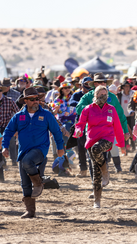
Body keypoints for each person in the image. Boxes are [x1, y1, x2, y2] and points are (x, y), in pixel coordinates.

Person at [2, 87, 64, 218]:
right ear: (25, 101)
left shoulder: (46, 115)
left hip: (40, 150)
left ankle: (37, 182)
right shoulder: (19, 116)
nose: (36, 101)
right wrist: (5, 146)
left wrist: (60, 147)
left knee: (27, 161)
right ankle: (30, 211)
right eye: (32, 99)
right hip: (23, 151)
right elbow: (8, 132)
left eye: (37, 98)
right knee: (24, 183)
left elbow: (57, 131)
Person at [74, 85, 125, 208]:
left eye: (105, 95)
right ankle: (97, 200)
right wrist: (78, 131)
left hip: (107, 140)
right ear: (95, 96)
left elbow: (117, 127)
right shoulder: (88, 109)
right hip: (91, 140)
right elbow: (80, 124)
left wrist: (121, 145)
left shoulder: (111, 109)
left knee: (96, 149)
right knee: (96, 172)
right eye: (100, 95)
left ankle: (105, 171)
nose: (103, 97)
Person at [0, 82, 20, 172]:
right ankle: (2, 162)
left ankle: (14, 161)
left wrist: (18, 127)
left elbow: (19, 114)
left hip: (7, 126)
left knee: (12, 143)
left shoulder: (10, 101)